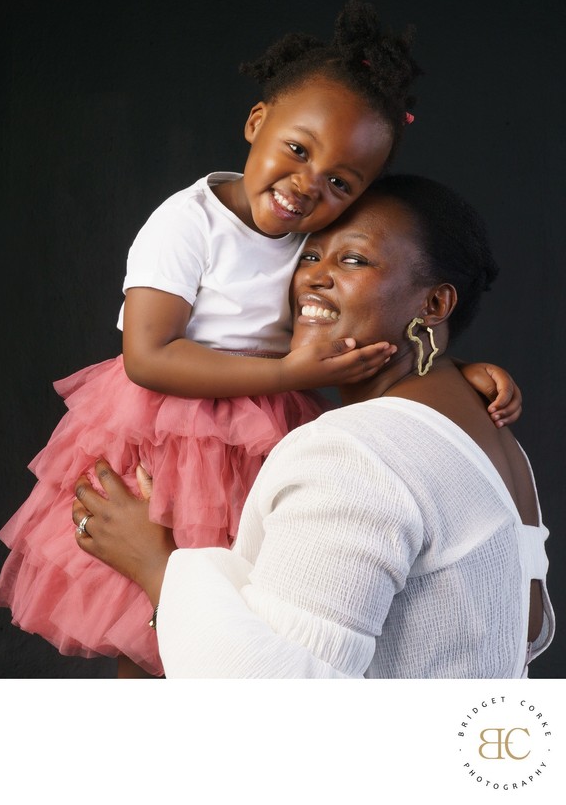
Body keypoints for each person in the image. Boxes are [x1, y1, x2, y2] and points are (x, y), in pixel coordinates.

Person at [0, 0, 519, 678]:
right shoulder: (189, 223)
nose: (307, 185)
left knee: (242, 605)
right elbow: (148, 356)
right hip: (174, 427)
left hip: (262, 429)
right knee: (147, 635)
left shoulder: (308, 236)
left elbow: (366, 329)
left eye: (339, 182)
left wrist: (457, 369)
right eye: (297, 152)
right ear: (256, 121)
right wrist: (288, 374)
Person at [72, 174, 554, 678]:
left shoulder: (354, 453)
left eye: (353, 259)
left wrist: (158, 567)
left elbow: (275, 699)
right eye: (307, 254)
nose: (313, 277)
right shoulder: (488, 434)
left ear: (433, 305)